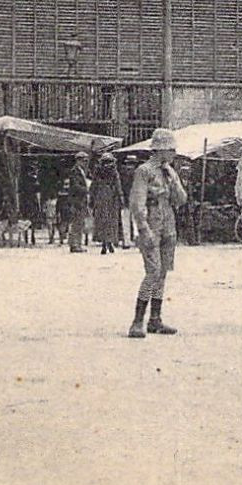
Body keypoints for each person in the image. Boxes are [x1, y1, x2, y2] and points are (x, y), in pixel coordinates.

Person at [127, 128, 188, 338]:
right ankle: (137, 321)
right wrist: (144, 229)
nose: (173, 153)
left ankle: (155, 319)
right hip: (151, 220)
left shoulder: (170, 171)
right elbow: (136, 203)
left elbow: (182, 200)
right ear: (160, 150)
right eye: (171, 149)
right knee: (153, 271)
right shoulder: (144, 171)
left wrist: (175, 182)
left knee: (162, 273)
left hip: (168, 221)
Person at [92, 153, 124, 254]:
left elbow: (93, 185)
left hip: (100, 197)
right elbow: (118, 185)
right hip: (112, 197)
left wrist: (92, 199)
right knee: (111, 220)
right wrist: (121, 197)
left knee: (102, 220)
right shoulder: (114, 172)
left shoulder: (98, 172)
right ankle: (110, 242)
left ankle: (104, 243)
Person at [62, 152, 92, 253]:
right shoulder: (74, 171)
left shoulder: (82, 171)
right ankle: (75, 244)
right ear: (78, 160)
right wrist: (86, 189)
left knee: (79, 222)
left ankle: (77, 243)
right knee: (76, 223)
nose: (85, 163)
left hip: (81, 200)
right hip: (76, 200)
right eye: (84, 160)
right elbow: (75, 186)